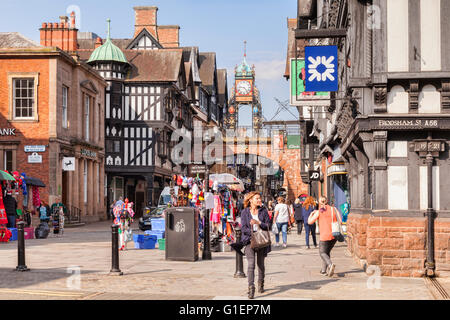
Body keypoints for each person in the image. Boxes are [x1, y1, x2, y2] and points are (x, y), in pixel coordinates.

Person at [240, 191, 271, 299]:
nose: (259, 200)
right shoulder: (244, 212)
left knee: (260, 265)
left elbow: (268, 225)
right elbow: (243, 228)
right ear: (250, 200)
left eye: (259, 198)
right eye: (257, 198)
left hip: (261, 241)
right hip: (249, 241)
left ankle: (261, 283)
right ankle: (251, 287)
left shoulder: (263, 211)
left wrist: (258, 223)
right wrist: (252, 233)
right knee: (251, 264)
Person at [308, 196, 342, 277]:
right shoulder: (334, 209)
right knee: (326, 252)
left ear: (319, 202)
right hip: (334, 235)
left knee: (322, 253)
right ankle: (323, 270)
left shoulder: (319, 211)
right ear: (327, 201)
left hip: (324, 236)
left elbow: (310, 222)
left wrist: (311, 214)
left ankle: (330, 265)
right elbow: (340, 220)